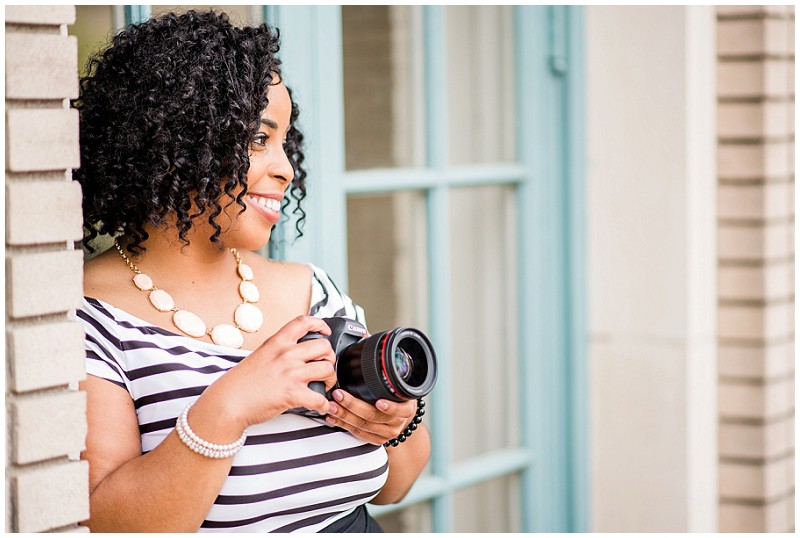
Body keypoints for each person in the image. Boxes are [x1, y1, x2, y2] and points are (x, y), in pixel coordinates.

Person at [73, 10, 430, 533]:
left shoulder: (314, 292)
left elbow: (399, 484)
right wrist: (230, 405)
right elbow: (111, 524)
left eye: (285, 141)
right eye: (259, 139)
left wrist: (397, 422)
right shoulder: (89, 317)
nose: (286, 167)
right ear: (177, 139)